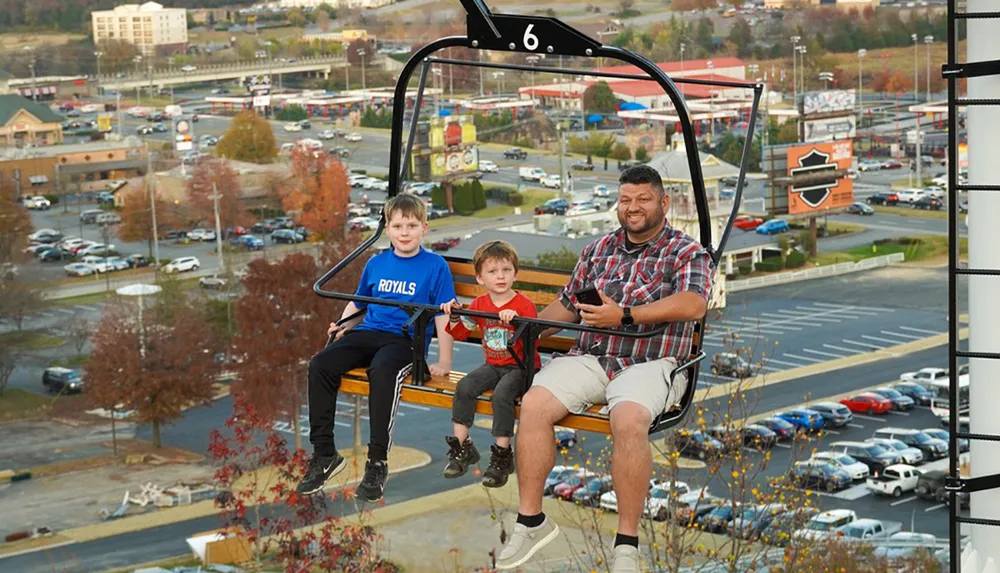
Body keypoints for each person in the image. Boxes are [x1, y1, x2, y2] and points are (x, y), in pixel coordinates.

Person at [495, 165, 713, 572]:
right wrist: (527, 332)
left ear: (663, 203)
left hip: (650, 360)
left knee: (629, 420)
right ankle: (531, 519)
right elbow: (567, 306)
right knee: (535, 404)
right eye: (626, 199)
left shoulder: (686, 252)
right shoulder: (598, 251)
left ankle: (626, 544)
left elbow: (693, 304)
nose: (633, 208)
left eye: (643, 199)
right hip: (594, 357)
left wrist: (626, 315)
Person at [296, 194, 457, 502]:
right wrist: (343, 327)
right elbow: (359, 303)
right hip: (369, 331)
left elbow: (442, 315)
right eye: (397, 225)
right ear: (387, 229)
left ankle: (377, 461)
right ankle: (324, 454)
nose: (405, 232)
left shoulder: (435, 266)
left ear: (424, 228)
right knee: (320, 365)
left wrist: (444, 360)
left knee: (381, 371)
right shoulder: (377, 263)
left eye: (411, 225)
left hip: (404, 340)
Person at [438, 240, 541, 488]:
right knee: (464, 387)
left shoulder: (523, 305)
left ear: (515, 273)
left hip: (520, 367)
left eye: (506, 270)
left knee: (501, 395)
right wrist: (453, 316)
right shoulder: (480, 304)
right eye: (493, 272)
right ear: (480, 278)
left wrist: (517, 321)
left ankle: (502, 457)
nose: (500, 276)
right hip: (493, 364)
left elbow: (533, 336)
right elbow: (463, 332)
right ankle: (462, 448)